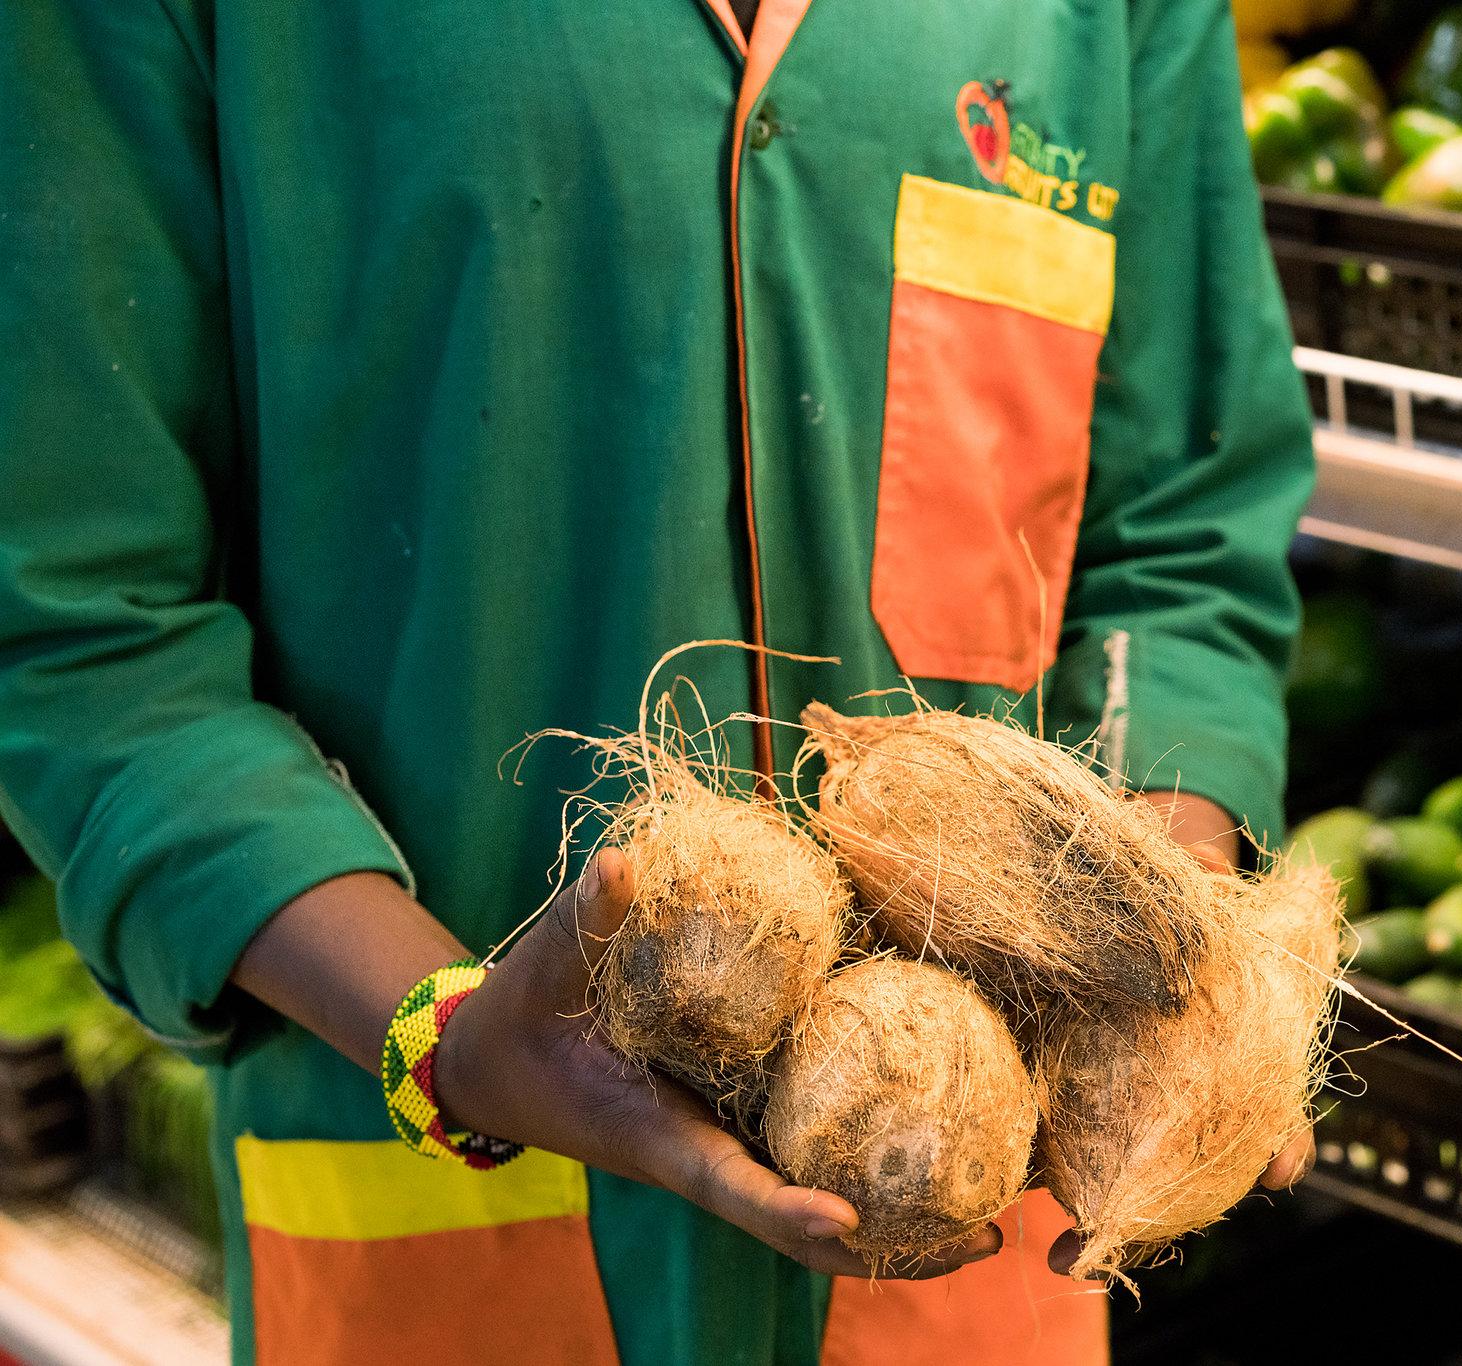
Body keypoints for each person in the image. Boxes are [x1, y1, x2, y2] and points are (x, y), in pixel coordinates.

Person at [0, 1, 1315, 1363]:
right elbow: (82, 620)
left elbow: (1184, 531)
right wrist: (444, 1034)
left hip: (962, 1244)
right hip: (451, 1248)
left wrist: (1160, 958)